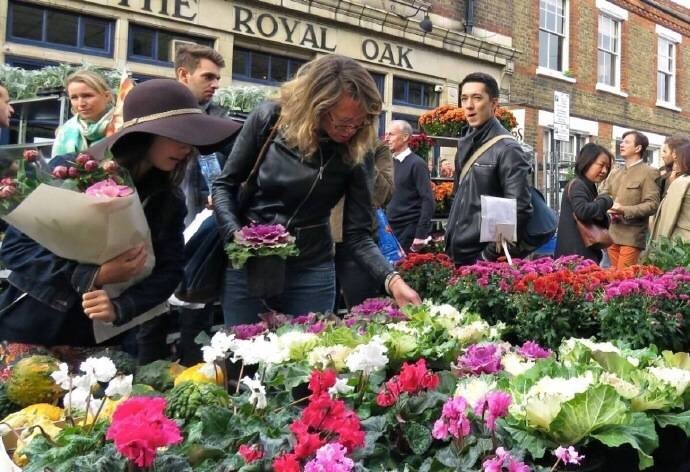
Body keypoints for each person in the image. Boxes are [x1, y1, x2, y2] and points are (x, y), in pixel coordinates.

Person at [0, 79, 241, 352]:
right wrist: (93, 275)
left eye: (191, 138)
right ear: (145, 133)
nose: (187, 148)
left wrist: (121, 307)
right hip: (32, 325)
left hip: (101, 344)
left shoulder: (168, 199)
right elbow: (15, 249)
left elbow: (169, 270)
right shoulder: (68, 172)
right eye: (178, 135)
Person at [212, 54, 420, 326]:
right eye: (343, 122)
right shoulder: (270, 118)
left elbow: (358, 233)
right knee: (241, 360)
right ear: (317, 106)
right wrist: (235, 237)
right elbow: (223, 185)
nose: (351, 130)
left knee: (311, 361)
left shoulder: (358, 147)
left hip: (312, 267)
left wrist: (392, 280)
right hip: (250, 265)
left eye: (360, 123)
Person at [174, 44, 238, 365]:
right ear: (183, 74)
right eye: (208, 77)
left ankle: (196, 370)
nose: (215, 84)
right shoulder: (164, 117)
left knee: (199, 313)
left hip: (210, 228)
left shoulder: (220, 120)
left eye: (218, 78)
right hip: (173, 228)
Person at [445, 72, 532, 265]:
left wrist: (486, 257)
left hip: (480, 261)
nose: (468, 105)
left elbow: (519, 210)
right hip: (456, 253)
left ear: (494, 104)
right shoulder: (465, 143)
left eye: (477, 98)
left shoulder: (508, 149)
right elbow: (458, 197)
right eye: (464, 98)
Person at [331, 141, 394, 309]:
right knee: (318, 319)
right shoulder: (323, 140)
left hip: (358, 242)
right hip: (320, 240)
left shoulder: (377, 147)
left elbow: (383, 194)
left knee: (362, 313)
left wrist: (361, 155)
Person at [599, 131, 660, 268]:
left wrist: (623, 210)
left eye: (627, 142)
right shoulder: (615, 172)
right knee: (613, 279)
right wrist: (606, 205)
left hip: (632, 237)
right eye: (622, 141)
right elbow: (604, 194)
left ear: (638, 148)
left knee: (623, 280)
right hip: (612, 234)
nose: (622, 144)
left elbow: (652, 204)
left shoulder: (649, 172)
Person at [554, 143, 614, 263]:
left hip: (581, 253)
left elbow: (592, 214)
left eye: (607, 167)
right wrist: (606, 200)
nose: (604, 171)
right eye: (601, 165)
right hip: (575, 256)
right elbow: (583, 211)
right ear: (587, 162)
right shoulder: (578, 185)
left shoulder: (589, 186)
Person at [384, 120, 434, 252]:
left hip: (409, 233)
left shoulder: (417, 164)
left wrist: (420, 234)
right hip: (390, 230)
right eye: (386, 134)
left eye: (391, 134)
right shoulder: (389, 163)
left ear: (405, 137)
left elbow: (428, 200)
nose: (386, 138)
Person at [51, 70, 114, 157]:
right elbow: (55, 169)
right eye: (74, 97)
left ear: (107, 96)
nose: (81, 103)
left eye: (87, 95)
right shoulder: (65, 132)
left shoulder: (122, 126)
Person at [650, 141, 690, 242]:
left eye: (677, 160)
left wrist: (674, 186)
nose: (674, 166)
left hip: (680, 241)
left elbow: (668, 219)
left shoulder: (682, 182)